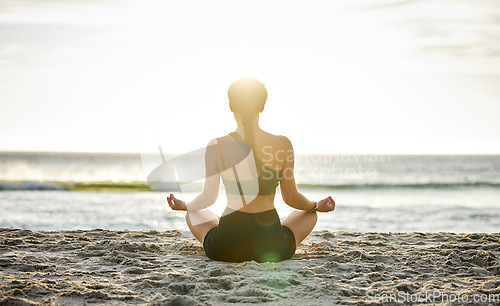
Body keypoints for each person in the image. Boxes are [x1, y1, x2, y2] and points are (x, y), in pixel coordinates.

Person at [167, 77, 335, 263]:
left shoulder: (217, 146)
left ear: (231, 106)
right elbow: (291, 198)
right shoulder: (283, 144)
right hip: (272, 247)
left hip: (226, 247)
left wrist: (184, 206)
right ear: (262, 106)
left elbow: (208, 198)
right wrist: (316, 206)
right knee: (309, 214)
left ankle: (215, 222)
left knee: (194, 212)